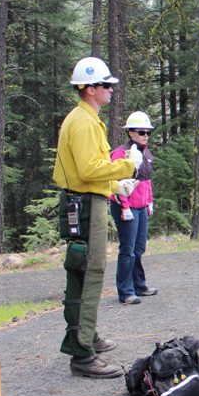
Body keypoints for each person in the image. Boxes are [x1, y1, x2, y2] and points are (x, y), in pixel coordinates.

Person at [53, 56, 141, 379]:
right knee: (90, 270)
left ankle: (85, 335)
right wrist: (126, 166)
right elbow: (90, 169)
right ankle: (82, 352)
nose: (110, 90)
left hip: (86, 198)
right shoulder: (85, 122)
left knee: (83, 269)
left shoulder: (82, 119)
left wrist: (114, 185)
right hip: (87, 205)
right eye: (106, 85)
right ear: (89, 89)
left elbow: (85, 171)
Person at [110, 111, 158, 305]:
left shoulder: (146, 153)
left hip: (141, 206)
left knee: (139, 248)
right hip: (125, 207)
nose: (145, 135)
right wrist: (125, 207)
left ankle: (139, 285)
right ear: (130, 132)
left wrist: (149, 201)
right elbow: (116, 182)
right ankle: (125, 291)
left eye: (147, 132)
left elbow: (146, 181)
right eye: (141, 131)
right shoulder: (121, 153)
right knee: (127, 250)